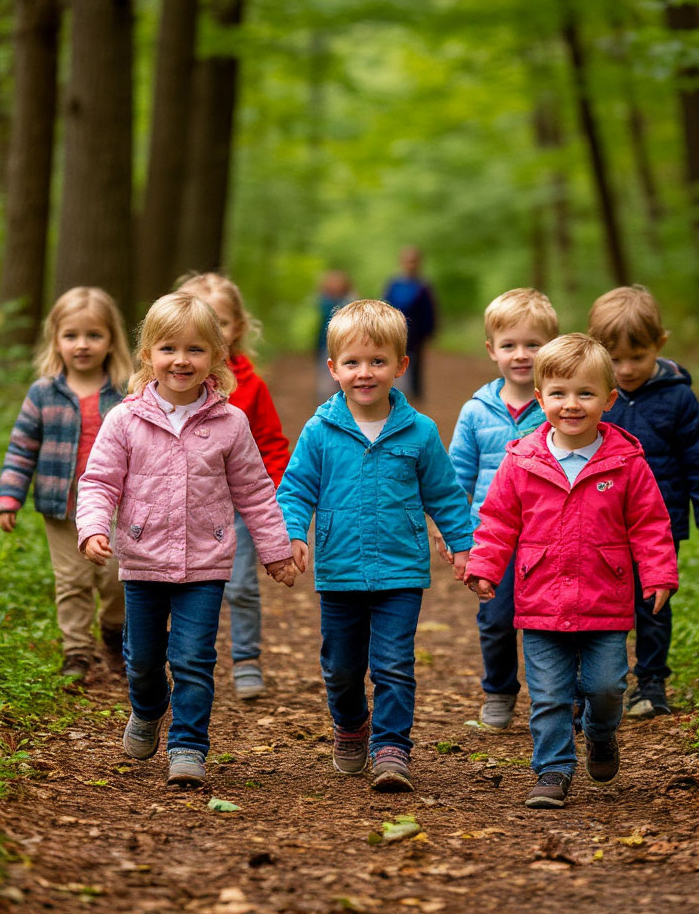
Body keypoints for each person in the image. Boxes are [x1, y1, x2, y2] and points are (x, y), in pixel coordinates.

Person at [76, 292, 297, 789]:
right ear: (147, 355)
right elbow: (100, 482)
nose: (181, 360)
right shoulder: (125, 419)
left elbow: (255, 491)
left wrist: (275, 550)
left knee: (194, 658)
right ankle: (148, 708)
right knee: (142, 660)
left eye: (195, 349)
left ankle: (189, 746)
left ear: (217, 356)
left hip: (205, 561)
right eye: (169, 349)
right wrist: (92, 527)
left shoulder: (230, 423)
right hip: (143, 559)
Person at [464, 334, 678, 809]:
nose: (572, 404)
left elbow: (650, 523)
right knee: (549, 696)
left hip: (606, 599)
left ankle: (600, 734)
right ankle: (553, 769)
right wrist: (485, 565)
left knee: (606, 687)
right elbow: (498, 520)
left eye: (585, 393)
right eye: (559, 394)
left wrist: (659, 573)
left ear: (609, 399)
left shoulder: (626, 463)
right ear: (541, 400)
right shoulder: (522, 461)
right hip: (540, 599)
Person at [277, 299, 473, 793]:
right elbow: (296, 489)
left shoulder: (419, 431)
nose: (364, 373)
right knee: (341, 667)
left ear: (401, 366)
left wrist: (463, 545)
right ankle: (350, 725)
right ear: (333, 368)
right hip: (340, 567)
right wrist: (294, 533)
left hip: (400, 570)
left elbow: (445, 495)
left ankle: (391, 747)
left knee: (394, 665)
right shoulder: (320, 431)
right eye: (353, 362)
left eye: (378, 361)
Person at [587, 285, 699, 719]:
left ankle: (650, 683)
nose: (626, 369)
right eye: (615, 359)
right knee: (596, 601)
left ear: (660, 345)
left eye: (638, 356)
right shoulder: (589, 394)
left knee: (653, 603)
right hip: (600, 521)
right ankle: (589, 685)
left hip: (659, 522)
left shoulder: (678, 397)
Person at [0, 286, 134, 683]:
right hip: (62, 507)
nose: (82, 344)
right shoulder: (43, 393)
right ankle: (76, 652)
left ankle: (113, 633)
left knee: (117, 580)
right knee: (72, 581)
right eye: (71, 335)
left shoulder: (126, 391)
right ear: (56, 339)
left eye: (94, 335)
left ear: (111, 340)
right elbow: (22, 448)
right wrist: (9, 496)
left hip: (117, 506)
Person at [444, 288, 559, 730]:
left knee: (555, 619)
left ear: (552, 346)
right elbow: (457, 477)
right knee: (495, 618)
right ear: (492, 350)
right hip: (494, 537)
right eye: (509, 345)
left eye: (533, 344)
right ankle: (499, 690)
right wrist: (455, 534)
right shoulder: (476, 411)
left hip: (551, 534)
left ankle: (564, 695)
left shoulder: (559, 407)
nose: (521, 354)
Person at [178, 272, 291, 700]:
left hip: (236, 509)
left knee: (240, 585)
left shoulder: (251, 386)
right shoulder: (169, 385)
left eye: (220, 322)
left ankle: (246, 658)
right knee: (179, 586)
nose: (211, 331)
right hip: (181, 505)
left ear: (238, 328)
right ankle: (183, 658)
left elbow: (272, 445)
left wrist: (274, 499)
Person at [382, 245, 436, 402]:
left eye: (413, 261)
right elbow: (385, 305)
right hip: (394, 331)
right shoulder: (394, 284)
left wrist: (429, 331)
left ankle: (414, 396)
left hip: (416, 333)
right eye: (407, 261)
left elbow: (429, 311)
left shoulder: (423, 286)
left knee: (415, 364)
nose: (410, 264)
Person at [315, 269, 355, 404]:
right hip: (326, 343)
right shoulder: (324, 301)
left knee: (345, 372)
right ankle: (327, 402)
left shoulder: (349, 301)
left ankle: (345, 401)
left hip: (346, 343)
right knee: (327, 373)